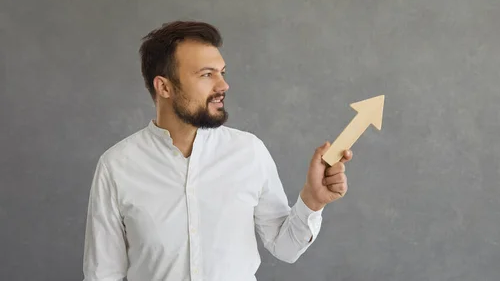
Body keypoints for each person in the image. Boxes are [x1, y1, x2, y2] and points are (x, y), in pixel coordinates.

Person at [82, 21, 353, 281]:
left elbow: (286, 248)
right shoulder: (117, 166)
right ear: (164, 86)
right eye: (206, 74)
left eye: (222, 72)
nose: (223, 86)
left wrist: (312, 201)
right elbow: (103, 275)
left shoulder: (249, 152)